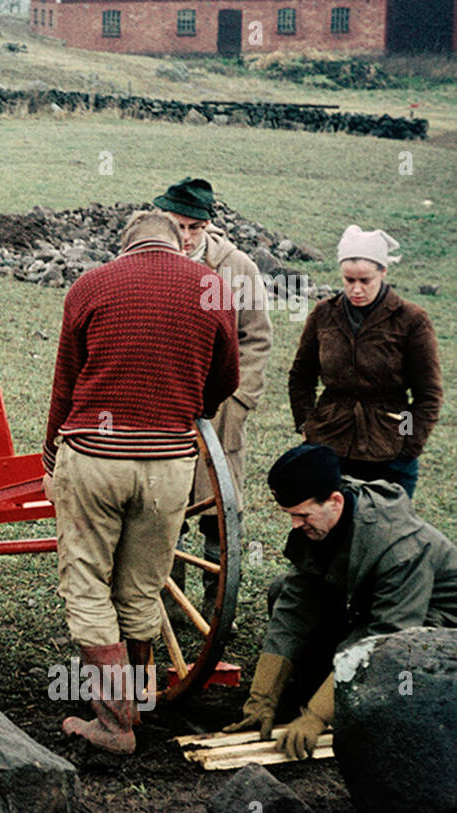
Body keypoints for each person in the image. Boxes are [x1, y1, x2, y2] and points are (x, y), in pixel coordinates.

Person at [43, 210, 239, 755]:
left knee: (87, 586)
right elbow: (227, 378)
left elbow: (66, 383)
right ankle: (138, 700)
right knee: (142, 589)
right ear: (181, 243)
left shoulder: (91, 285)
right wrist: (182, 406)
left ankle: (114, 722)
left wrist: (48, 457)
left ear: (125, 246)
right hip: (170, 465)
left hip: (94, 458)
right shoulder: (212, 287)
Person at [225, 444, 457, 759]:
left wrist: (317, 717)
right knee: (281, 589)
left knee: (390, 688)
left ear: (334, 501)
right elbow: (294, 607)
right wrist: (261, 699)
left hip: (435, 632)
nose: (295, 524)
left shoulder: (402, 548)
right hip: (371, 609)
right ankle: (316, 689)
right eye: (291, 515)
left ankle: (339, 701)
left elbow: (385, 637)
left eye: (302, 514)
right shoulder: (326, 520)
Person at [153, 178, 272, 601]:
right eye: (177, 226)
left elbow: (256, 338)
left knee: (219, 508)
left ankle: (218, 600)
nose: (185, 238)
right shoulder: (150, 261)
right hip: (164, 406)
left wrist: (238, 399)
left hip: (218, 409)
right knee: (163, 506)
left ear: (206, 227)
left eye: (194, 229)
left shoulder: (237, 268)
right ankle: (166, 600)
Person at [288, 225, 443, 497]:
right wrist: (307, 425)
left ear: (383, 273)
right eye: (348, 280)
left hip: (389, 450)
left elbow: (427, 394)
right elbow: (301, 376)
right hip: (329, 442)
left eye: (365, 281)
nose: (356, 289)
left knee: (386, 531)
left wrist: (407, 440)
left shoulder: (411, 320)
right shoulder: (324, 314)